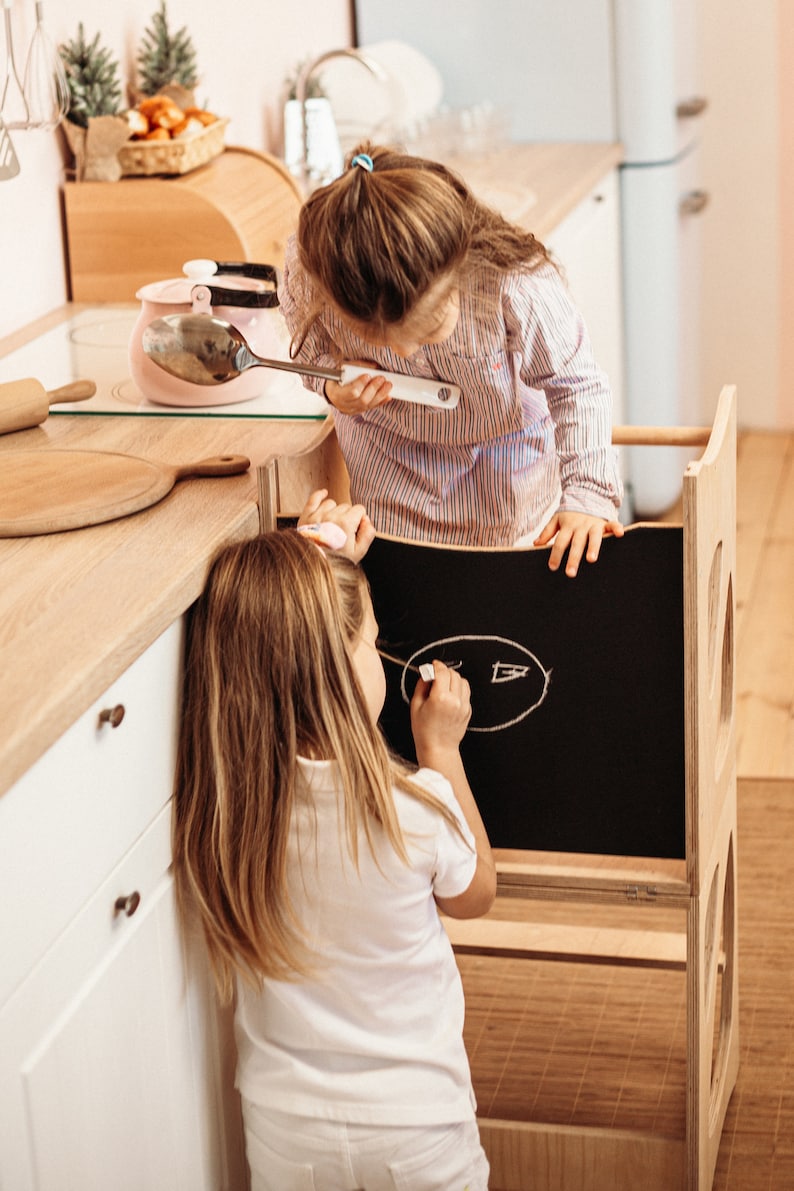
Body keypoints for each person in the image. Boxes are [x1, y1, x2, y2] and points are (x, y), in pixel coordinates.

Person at [172, 495, 496, 1191]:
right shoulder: (412, 806)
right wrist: (441, 748)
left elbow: (281, 639)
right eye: (372, 638)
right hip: (418, 1131)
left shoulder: (226, 809)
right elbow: (475, 895)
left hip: (289, 1136)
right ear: (350, 669)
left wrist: (322, 560)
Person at [278, 142, 624, 578]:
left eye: (426, 331)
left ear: (460, 271)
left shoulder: (516, 284)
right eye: (374, 338)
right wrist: (332, 386)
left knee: (504, 590)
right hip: (392, 468)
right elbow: (312, 348)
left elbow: (576, 384)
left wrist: (587, 497)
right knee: (416, 595)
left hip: (509, 470)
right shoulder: (313, 274)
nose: (402, 354)